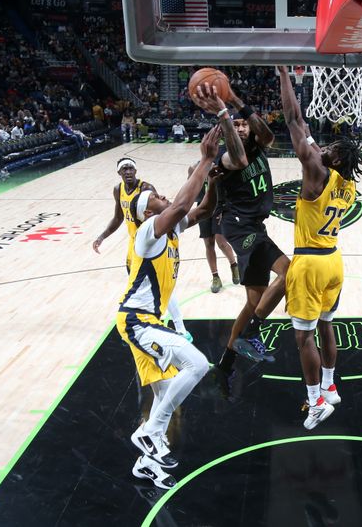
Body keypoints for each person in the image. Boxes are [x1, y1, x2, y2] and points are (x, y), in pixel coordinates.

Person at [120, 126, 221, 489]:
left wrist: (214, 178)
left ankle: (145, 463)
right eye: (155, 197)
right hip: (137, 321)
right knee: (197, 364)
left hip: (147, 321)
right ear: (148, 212)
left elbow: (203, 208)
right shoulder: (149, 232)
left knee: (165, 393)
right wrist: (205, 160)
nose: (160, 195)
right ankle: (149, 433)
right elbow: (180, 204)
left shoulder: (174, 228)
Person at [279, 66, 362, 429]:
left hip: (310, 264)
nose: (325, 148)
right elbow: (310, 136)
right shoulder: (346, 184)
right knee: (328, 325)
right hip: (334, 261)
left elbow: (293, 119)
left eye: (329, 149)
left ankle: (315, 400)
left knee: (304, 339)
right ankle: (331, 386)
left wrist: (286, 75)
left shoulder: (316, 174)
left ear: (332, 160)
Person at [192, 83, 289, 366]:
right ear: (226, 130)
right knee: (289, 272)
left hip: (254, 226)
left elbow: (268, 134)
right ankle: (251, 333)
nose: (243, 127)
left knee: (254, 301)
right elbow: (239, 158)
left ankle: (227, 361)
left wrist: (235, 100)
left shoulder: (260, 145)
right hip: (239, 227)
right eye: (237, 125)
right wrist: (225, 114)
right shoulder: (225, 157)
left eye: (244, 124)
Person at [93, 157, 193, 342]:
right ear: (119, 173)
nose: (128, 171)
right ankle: (139, 324)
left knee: (160, 283)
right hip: (135, 243)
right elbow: (118, 217)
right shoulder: (118, 190)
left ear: (136, 171)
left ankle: (179, 328)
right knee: (139, 285)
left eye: (131, 168)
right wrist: (102, 236)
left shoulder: (146, 189)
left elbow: (164, 213)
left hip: (152, 240)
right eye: (124, 169)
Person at [193, 178, 240, 293]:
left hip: (220, 206)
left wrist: (226, 207)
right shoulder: (195, 168)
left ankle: (234, 265)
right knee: (209, 244)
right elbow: (192, 191)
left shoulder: (219, 165)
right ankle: (215, 277)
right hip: (203, 208)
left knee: (221, 242)